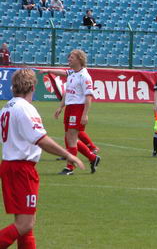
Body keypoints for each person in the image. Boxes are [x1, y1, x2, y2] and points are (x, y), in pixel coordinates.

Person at [0, 69, 85, 248]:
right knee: (25, 224)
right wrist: (69, 155)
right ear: (32, 87)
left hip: (10, 165)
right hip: (21, 169)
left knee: (25, 224)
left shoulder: (7, 107)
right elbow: (42, 140)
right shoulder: (25, 108)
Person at [39, 50, 101, 175]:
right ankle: (92, 158)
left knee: (72, 138)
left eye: (72, 57)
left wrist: (85, 114)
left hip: (78, 109)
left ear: (79, 59)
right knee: (70, 138)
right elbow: (66, 87)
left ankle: (70, 168)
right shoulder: (72, 73)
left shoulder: (85, 76)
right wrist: (61, 107)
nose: (69, 59)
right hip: (70, 108)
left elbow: (89, 97)